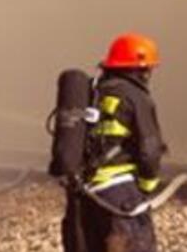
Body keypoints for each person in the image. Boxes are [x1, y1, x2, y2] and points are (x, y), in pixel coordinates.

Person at [62, 33, 166, 252]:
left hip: (85, 195)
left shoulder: (93, 92)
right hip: (119, 195)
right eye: (148, 69)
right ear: (140, 70)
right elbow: (150, 149)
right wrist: (147, 186)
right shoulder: (135, 97)